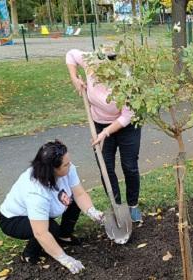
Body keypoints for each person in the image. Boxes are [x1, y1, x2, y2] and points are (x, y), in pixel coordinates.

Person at [0, 140, 106, 274]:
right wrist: (65, 259)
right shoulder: (35, 191)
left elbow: (79, 194)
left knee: (74, 203)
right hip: (13, 219)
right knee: (50, 228)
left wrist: (92, 211)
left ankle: (64, 236)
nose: (70, 165)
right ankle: (29, 254)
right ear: (52, 169)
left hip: (43, 211)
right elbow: (41, 232)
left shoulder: (68, 169)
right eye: (65, 164)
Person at [66, 48, 144, 223]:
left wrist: (106, 133)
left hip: (127, 126)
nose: (98, 73)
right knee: (106, 167)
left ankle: (133, 205)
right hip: (99, 123)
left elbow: (127, 116)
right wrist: (74, 78)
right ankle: (116, 206)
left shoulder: (126, 80)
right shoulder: (91, 63)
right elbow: (70, 54)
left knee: (129, 166)